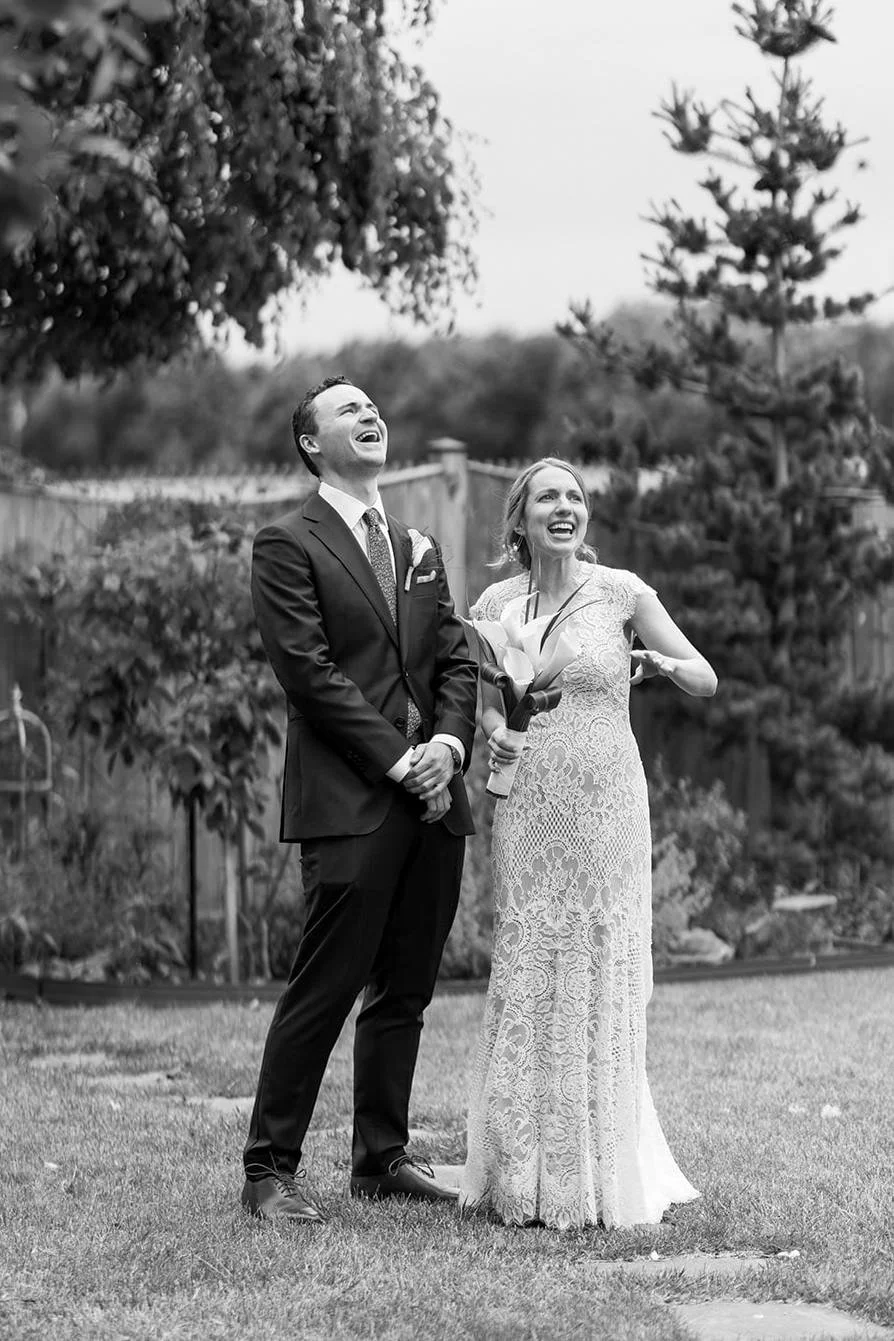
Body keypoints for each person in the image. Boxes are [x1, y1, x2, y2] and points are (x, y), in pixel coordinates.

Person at [242, 375, 478, 1223]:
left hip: (435, 800)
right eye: (349, 409)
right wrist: (401, 759)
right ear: (312, 443)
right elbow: (309, 673)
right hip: (351, 799)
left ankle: (381, 1156)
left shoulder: (416, 544)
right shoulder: (286, 542)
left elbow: (454, 658)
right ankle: (268, 1171)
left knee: (406, 985)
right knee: (327, 983)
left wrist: (448, 747)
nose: (371, 414)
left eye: (375, 405)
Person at [459, 457, 717, 1230]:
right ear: (521, 519)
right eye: (548, 497)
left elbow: (704, 675)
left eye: (574, 497)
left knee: (598, 954)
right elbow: (485, 715)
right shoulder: (497, 603)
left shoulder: (622, 592)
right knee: (532, 953)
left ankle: (602, 1164)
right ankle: (526, 1165)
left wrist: (664, 663)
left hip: (608, 805)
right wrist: (503, 728)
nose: (564, 507)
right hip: (531, 803)